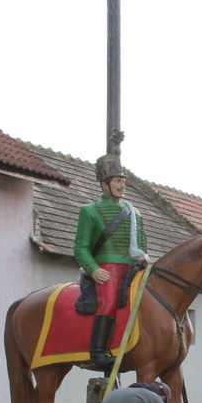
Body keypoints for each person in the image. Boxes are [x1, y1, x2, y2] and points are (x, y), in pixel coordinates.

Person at [73, 154, 148, 370]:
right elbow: (80, 247)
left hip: (135, 267)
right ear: (105, 184)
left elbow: (142, 243)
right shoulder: (89, 211)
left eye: (123, 181)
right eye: (117, 180)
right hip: (107, 268)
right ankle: (97, 352)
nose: (122, 185)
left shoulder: (135, 213)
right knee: (110, 300)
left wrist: (143, 256)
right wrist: (93, 269)